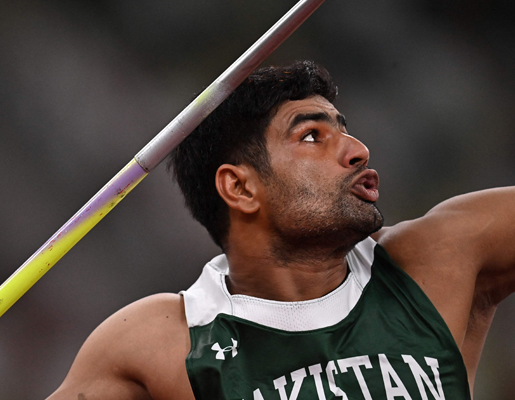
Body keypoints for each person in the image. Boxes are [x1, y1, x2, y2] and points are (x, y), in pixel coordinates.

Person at [46, 61, 513, 400]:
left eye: (344, 129)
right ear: (240, 187)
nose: (358, 150)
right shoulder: (163, 342)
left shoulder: (438, 257)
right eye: (312, 136)